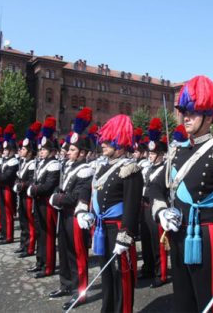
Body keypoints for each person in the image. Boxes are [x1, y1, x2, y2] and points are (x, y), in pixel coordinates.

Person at [149, 75, 213, 313]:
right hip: (179, 235)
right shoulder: (177, 152)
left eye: (193, 111)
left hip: (208, 237)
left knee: (209, 301)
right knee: (183, 302)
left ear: (209, 117)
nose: (186, 116)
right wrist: (161, 211)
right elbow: (154, 186)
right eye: (184, 110)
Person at [86, 114, 145, 312]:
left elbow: (131, 206)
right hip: (103, 227)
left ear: (119, 142)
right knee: (106, 273)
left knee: (122, 277)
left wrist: (125, 235)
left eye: (108, 140)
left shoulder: (130, 169)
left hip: (119, 229)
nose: (102, 143)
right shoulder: (104, 167)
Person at [48, 108, 94, 310]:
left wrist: (57, 197)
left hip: (76, 217)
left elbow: (76, 196)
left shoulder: (85, 169)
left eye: (73, 150)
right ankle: (66, 285)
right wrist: (58, 194)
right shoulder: (69, 166)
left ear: (82, 153)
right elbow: (63, 187)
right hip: (64, 215)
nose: (68, 152)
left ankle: (80, 292)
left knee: (78, 256)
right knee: (64, 253)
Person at [28, 116, 61, 278]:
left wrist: (34, 189)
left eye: (44, 149)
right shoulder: (42, 163)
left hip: (47, 204)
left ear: (53, 151)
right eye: (40, 149)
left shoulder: (54, 164)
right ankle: (39, 262)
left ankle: (48, 266)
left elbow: (48, 186)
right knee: (40, 233)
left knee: (47, 235)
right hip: (39, 202)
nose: (41, 151)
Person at [139, 118, 169, 288]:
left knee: (158, 243)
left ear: (160, 154)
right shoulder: (148, 168)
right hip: (144, 208)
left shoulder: (165, 169)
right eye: (149, 154)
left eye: (152, 154)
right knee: (145, 241)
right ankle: (148, 268)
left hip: (157, 209)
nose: (149, 156)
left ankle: (161, 273)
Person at [14, 122, 40, 258]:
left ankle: (29, 247)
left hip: (29, 197)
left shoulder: (32, 164)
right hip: (22, 195)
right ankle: (23, 245)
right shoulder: (23, 162)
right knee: (23, 221)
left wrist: (22, 185)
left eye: (23, 149)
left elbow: (31, 180)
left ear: (30, 151)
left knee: (29, 222)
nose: (21, 151)